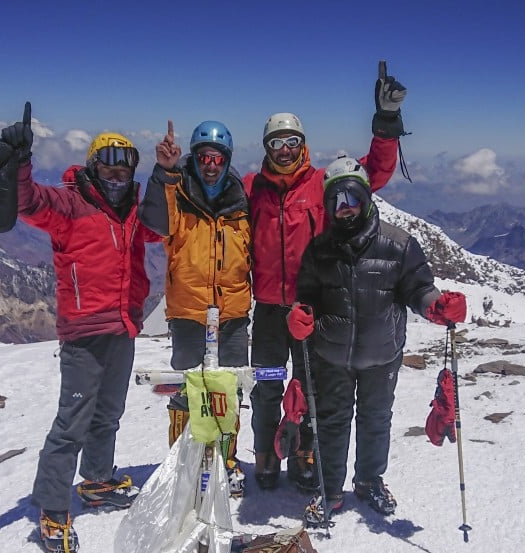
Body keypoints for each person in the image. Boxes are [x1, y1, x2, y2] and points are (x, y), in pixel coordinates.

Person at [0, 104, 160, 553]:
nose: (117, 173)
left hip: (123, 326)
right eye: (108, 163)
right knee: (72, 423)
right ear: (92, 164)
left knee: (109, 412)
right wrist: (20, 162)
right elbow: (27, 203)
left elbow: (161, 230)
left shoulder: (132, 212)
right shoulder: (70, 204)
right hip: (84, 332)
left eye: (125, 166)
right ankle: (52, 506)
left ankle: (97, 479)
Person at [244, 60, 408, 493]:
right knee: (266, 386)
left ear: (303, 144)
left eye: (291, 141)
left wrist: (386, 123)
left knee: (310, 386)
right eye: (276, 142)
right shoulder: (251, 188)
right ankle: (264, 455)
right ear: (266, 147)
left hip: (313, 310)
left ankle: (304, 453)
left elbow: (374, 172)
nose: (283, 149)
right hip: (267, 313)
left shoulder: (321, 183)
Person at [287, 156, 467, 525]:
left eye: (352, 197)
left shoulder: (398, 246)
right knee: (332, 421)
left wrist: (437, 308)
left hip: (381, 355)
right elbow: (306, 296)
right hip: (331, 354)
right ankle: (331, 489)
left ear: (367, 197)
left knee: (376, 419)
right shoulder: (319, 250)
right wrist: (300, 315)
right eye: (336, 201)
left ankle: (369, 481)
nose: (345, 208)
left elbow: (419, 288)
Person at [138, 120, 252, 497]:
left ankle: (225, 460)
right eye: (204, 156)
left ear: (227, 159)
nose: (211, 164)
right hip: (189, 313)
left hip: (233, 313)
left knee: (226, 391)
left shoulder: (242, 203)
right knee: (189, 390)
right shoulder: (179, 194)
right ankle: (181, 461)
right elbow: (154, 221)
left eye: (217, 158)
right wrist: (165, 171)